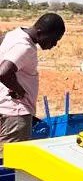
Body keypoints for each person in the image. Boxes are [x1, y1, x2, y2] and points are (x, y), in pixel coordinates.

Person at [0, 13, 65, 160]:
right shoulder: (25, 47)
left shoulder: (14, 35)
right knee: (12, 164)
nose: (54, 45)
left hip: (5, 109)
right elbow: (3, 73)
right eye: (53, 40)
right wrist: (20, 90)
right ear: (40, 33)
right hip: (15, 115)